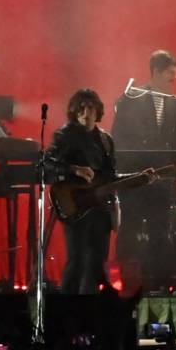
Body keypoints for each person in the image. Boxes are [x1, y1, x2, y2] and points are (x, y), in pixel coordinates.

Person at [46, 87, 118, 295]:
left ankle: (90, 310)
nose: (86, 113)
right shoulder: (64, 135)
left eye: (91, 108)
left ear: (98, 111)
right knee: (76, 260)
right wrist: (74, 169)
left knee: (97, 263)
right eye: (82, 109)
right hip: (75, 205)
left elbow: (110, 176)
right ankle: (66, 310)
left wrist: (138, 179)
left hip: (100, 206)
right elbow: (47, 163)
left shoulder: (106, 140)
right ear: (75, 112)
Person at [114, 49, 176, 150]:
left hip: (165, 163)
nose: (174, 77)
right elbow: (119, 136)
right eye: (170, 72)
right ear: (156, 71)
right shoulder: (132, 97)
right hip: (137, 162)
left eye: (175, 73)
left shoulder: (174, 103)